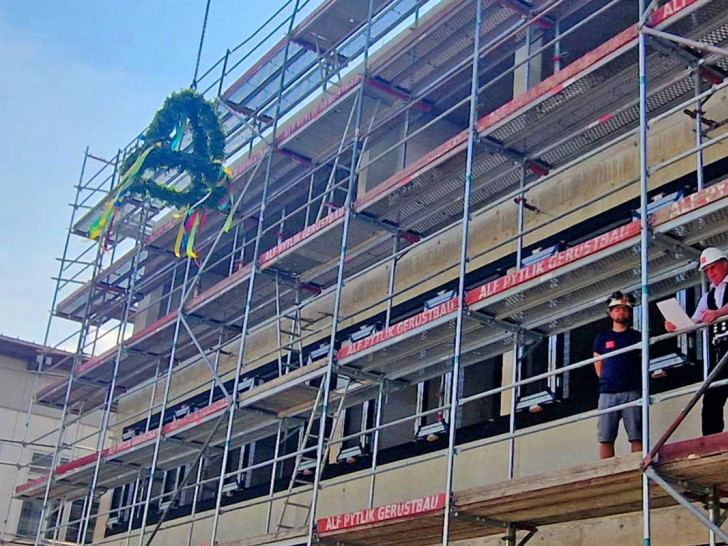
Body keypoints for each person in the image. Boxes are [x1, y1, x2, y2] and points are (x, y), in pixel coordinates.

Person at [665, 247, 728, 435]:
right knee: (711, 395)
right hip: (721, 349)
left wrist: (718, 313)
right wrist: (676, 326)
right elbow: (694, 321)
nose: (710, 273)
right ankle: (710, 440)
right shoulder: (708, 296)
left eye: (713, 267)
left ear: (725, 264)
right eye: (707, 270)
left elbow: (718, 311)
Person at [593, 291, 643, 459]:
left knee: (636, 434)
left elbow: (644, 359)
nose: (621, 312)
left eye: (624, 309)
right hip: (608, 392)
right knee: (605, 437)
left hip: (632, 390)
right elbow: (597, 362)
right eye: (616, 309)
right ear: (610, 312)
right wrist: (606, 380)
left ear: (629, 312)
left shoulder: (636, 336)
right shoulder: (602, 337)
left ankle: (638, 469)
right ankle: (607, 474)